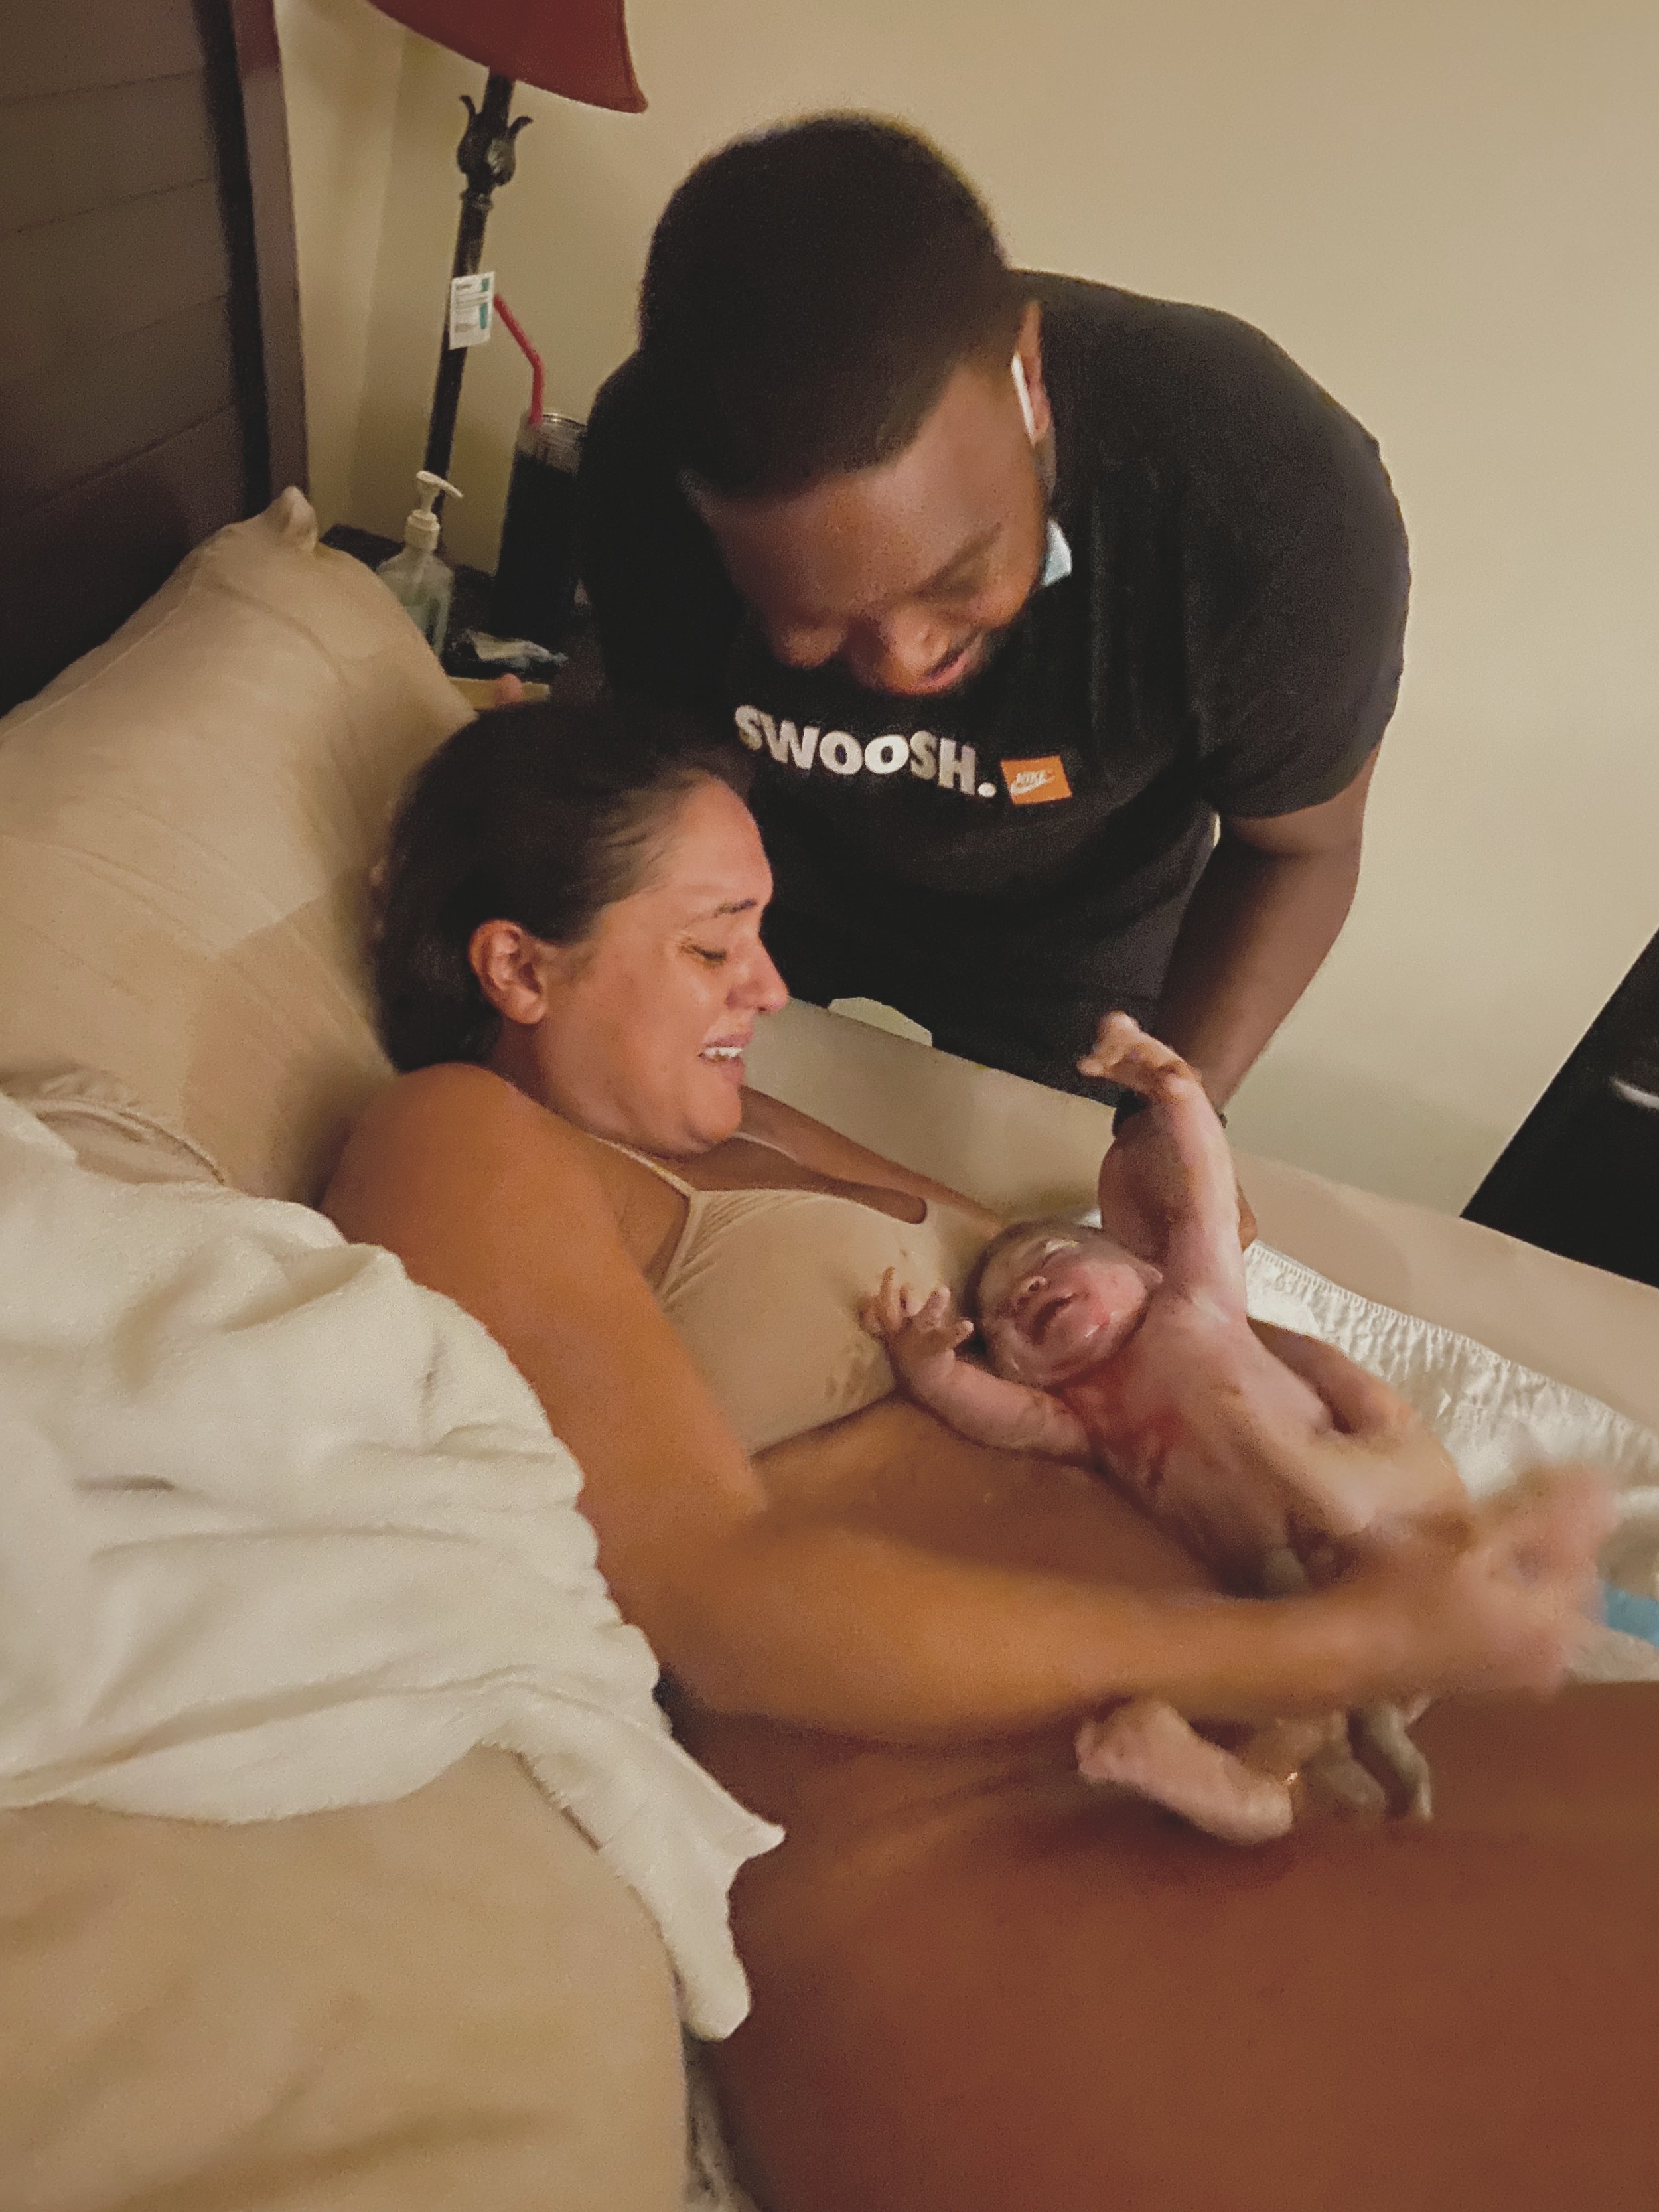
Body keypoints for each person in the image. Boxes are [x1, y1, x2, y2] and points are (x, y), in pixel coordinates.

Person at [326, 697, 1659, 2212]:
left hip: (1299, 1711)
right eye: (715, 944)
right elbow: (720, 1598)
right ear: (518, 965)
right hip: (1018, 1841)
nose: (768, 984)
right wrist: (1311, 1642)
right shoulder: (465, 1136)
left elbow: (1070, 1285)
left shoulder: (747, 1122)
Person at [577, 112, 1411, 1177]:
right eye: (816, 619)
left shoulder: (1268, 506)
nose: (900, 663)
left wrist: (1171, 1110)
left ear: (1026, 376)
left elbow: (1302, 849)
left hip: (1076, 939)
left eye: (958, 577)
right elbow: (674, 782)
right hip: (773, 863)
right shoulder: (645, 465)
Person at [863, 1011, 1453, 1842]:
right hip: (1267, 1593)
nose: (1023, 1296)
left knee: (1399, 1639)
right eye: (1000, 1318)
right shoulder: (1083, 1417)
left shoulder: (1196, 1308)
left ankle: (1384, 1738)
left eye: (1047, 1265)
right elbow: (1002, 1422)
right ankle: (1239, 1787)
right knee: (1299, 1699)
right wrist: (931, 1371)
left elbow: (1203, 1206)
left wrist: (1179, 1094)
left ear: (1140, 1269)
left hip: (1353, 1525)